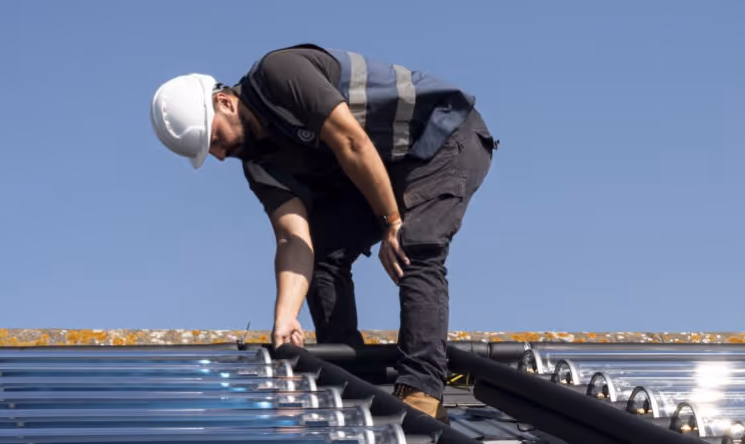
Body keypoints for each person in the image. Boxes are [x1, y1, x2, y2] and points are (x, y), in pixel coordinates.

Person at [149, 45, 494, 420]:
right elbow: (292, 239)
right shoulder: (260, 165)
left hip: (440, 137)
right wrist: (286, 316)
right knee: (324, 254)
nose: (218, 155)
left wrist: (393, 222)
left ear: (225, 103)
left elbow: (352, 141)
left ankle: (421, 394)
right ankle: (349, 381)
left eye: (214, 139)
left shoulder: (279, 74)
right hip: (385, 168)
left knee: (413, 245)